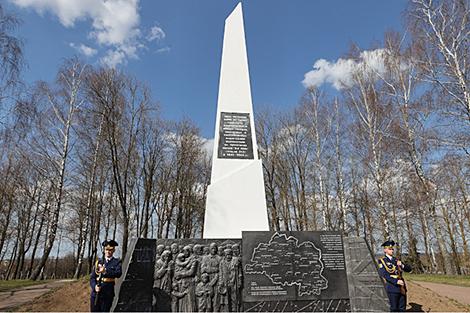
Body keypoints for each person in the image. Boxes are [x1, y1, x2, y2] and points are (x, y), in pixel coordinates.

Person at [378, 240, 412, 312]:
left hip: (402, 288)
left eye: (392, 249)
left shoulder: (397, 260)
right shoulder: (382, 261)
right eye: (390, 249)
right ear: (385, 250)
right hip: (392, 287)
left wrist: (402, 265)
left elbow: (409, 269)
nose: (392, 250)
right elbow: (384, 274)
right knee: (394, 309)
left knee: (402, 309)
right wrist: (396, 281)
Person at [90, 240, 122, 312]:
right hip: (96, 294)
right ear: (104, 250)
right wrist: (94, 286)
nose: (108, 252)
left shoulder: (116, 262)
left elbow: (118, 273)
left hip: (107, 294)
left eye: (110, 250)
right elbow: (92, 278)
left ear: (113, 250)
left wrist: (105, 271)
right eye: (106, 249)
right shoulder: (98, 262)